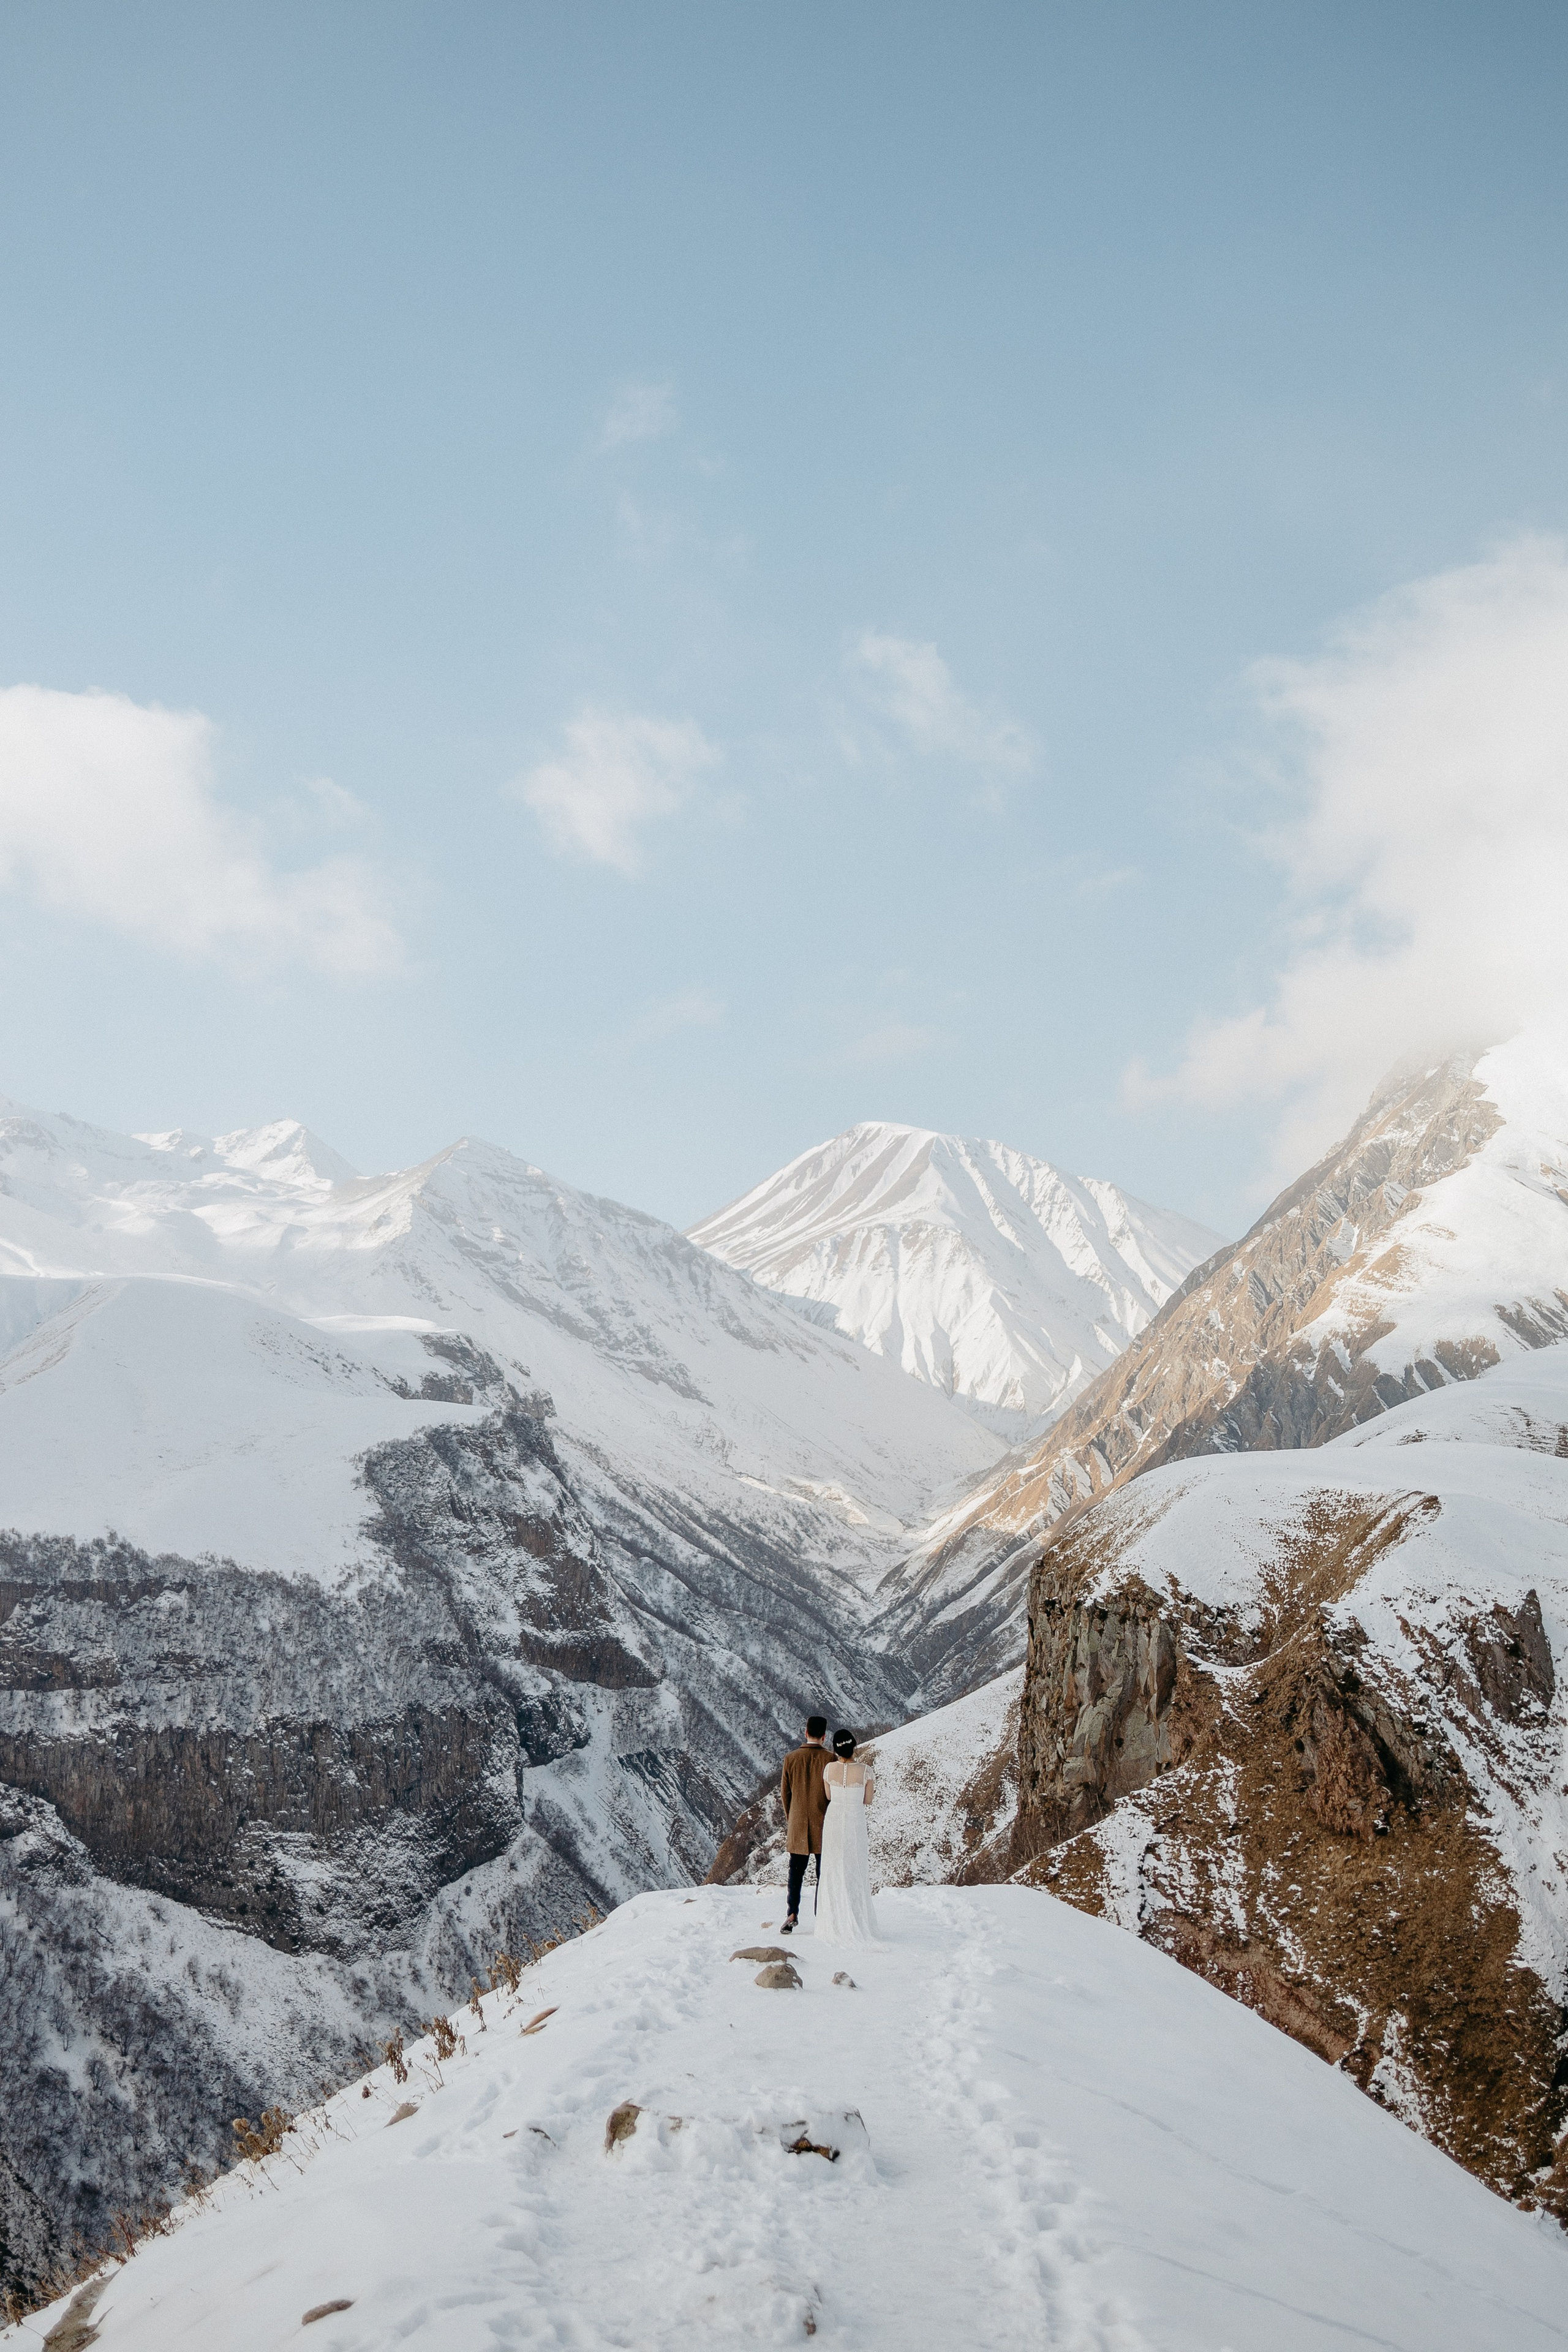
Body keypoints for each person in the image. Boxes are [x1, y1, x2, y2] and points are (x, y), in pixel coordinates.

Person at [815, 1728, 880, 1945]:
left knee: (833, 1867)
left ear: (835, 1748)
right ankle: (857, 1919)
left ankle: (833, 1920)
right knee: (855, 1866)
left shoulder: (828, 1769)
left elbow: (829, 1795)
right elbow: (868, 1800)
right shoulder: (865, 1771)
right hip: (855, 1821)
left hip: (833, 1820)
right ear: (854, 1746)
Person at [779, 1716, 829, 1933]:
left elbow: (785, 1794)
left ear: (805, 1732)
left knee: (796, 1873)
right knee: (823, 1873)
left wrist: (792, 1818)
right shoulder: (831, 1759)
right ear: (824, 1736)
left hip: (798, 1822)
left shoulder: (791, 1758)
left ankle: (792, 1912)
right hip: (823, 1823)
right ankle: (822, 1915)